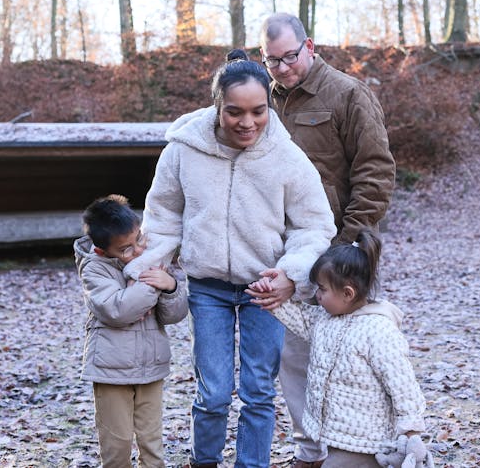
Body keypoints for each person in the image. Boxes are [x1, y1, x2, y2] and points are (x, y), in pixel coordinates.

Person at [121, 50, 336, 468]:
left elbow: (314, 227)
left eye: (258, 111)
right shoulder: (183, 151)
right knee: (214, 391)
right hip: (208, 289)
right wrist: (147, 265)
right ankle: (204, 462)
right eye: (235, 112)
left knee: (258, 389)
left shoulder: (287, 156)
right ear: (218, 106)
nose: (247, 122)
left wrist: (291, 275)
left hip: (266, 292)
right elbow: (163, 216)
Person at [258, 12, 397, 468]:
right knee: (294, 356)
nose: (282, 68)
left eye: (290, 57)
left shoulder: (347, 94)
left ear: (310, 46)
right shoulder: (262, 100)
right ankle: (312, 450)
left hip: (335, 252)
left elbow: (375, 171)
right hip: (282, 250)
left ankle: (363, 447)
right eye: (271, 60)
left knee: (349, 357)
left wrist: (349, 246)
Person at [248, 230, 432, 468]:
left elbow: (402, 384)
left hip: (367, 441)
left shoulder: (379, 331)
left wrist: (410, 432)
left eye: (322, 289)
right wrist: (269, 294)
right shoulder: (325, 320)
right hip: (336, 435)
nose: (317, 295)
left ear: (347, 293)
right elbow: (299, 317)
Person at [74, 194, 189, 468]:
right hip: (111, 370)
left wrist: (170, 286)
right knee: (118, 443)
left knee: (152, 440)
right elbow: (118, 310)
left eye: (139, 240)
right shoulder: (94, 269)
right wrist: (152, 283)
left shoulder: (149, 261)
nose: (137, 251)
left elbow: (174, 314)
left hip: (151, 366)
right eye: (126, 249)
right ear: (103, 250)